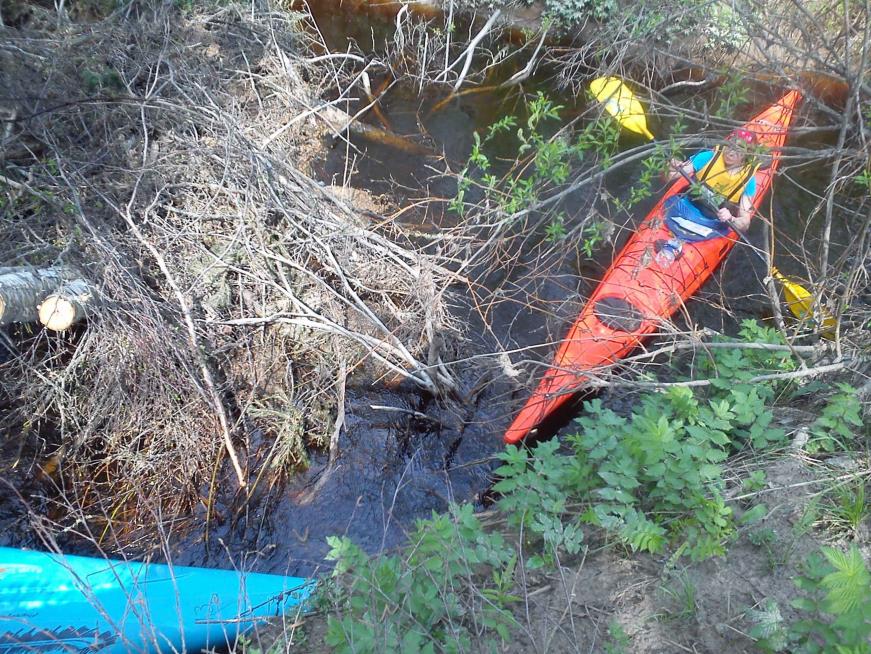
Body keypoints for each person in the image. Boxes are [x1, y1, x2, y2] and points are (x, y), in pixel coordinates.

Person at [663, 128, 761, 239]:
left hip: (713, 225)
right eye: (730, 145)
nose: (731, 152)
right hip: (684, 208)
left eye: (738, 149)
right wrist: (670, 166)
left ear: (747, 154)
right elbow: (668, 177)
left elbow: (745, 223)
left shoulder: (748, 181)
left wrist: (731, 218)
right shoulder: (707, 157)